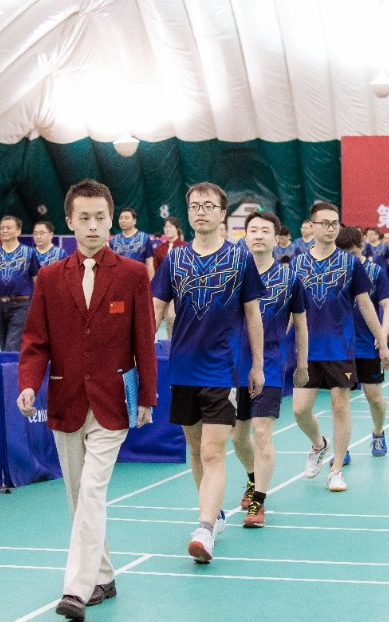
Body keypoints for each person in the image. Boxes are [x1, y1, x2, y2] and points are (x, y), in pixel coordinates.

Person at [17, 179, 157, 621]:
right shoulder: (49, 278)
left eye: (100, 217)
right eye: (84, 218)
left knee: (93, 491)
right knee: (79, 498)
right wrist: (28, 384)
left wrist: (147, 397)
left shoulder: (132, 275)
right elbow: (35, 341)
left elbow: (144, 341)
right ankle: (104, 576)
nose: (93, 225)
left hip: (113, 403)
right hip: (66, 400)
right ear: (70, 222)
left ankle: (75, 589)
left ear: (111, 220)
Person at [151, 182, 265, 563]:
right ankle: (213, 514)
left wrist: (258, 364)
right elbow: (155, 309)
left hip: (223, 369)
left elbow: (253, 314)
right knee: (196, 450)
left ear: (222, 213)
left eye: (208, 206)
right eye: (194, 206)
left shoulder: (240, 258)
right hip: (182, 368)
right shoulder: (174, 260)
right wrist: (140, 356)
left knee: (213, 451)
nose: (201, 211)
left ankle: (203, 529)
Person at [291, 203, 389, 493]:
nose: (330, 228)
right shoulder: (297, 264)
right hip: (308, 349)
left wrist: (382, 342)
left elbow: (366, 304)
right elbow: (290, 308)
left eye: (335, 223)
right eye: (324, 223)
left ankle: (336, 470)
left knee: (340, 405)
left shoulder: (350, 264)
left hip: (340, 348)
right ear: (312, 226)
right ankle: (318, 444)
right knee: (300, 410)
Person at [230, 210, 308, 528]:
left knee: (262, 433)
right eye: (253, 230)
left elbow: (301, 325)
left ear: (277, 239)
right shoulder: (232, 275)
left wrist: (302, 364)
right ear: (245, 236)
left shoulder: (290, 279)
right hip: (234, 367)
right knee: (238, 436)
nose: (259, 235)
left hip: (271, 367)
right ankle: (252, 478)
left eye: (265, 231)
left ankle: (258, 504)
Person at [339, 226, 389, 456]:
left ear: (361, 247)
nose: (349, 259)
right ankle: (341, 448)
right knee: (340, 400)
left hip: (367, 347)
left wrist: (382, 336)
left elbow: (388, 306)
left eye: (353, 253)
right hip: (341, 348)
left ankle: (378, 432)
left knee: (374, 397)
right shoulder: (335, 272)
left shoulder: (374, 271)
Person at [0, 216, 41, 351]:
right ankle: (12, 364)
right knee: (3, 343)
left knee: (12, 344)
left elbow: (37, 279)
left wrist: (38, 303)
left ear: (18, 231)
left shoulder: (29, 253)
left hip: (21, 304)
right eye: (2, 228)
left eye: (8, 228)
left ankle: (11, 364)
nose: (4, 230)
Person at [109, 207, 155, 278]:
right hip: (120, 279)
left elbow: (149, 262)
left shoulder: (144, 238)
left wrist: (151, 281)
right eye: (121, 218)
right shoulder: (114, 240)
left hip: (139, 278)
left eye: (126, 218)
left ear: (134, 221)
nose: (123, 220)